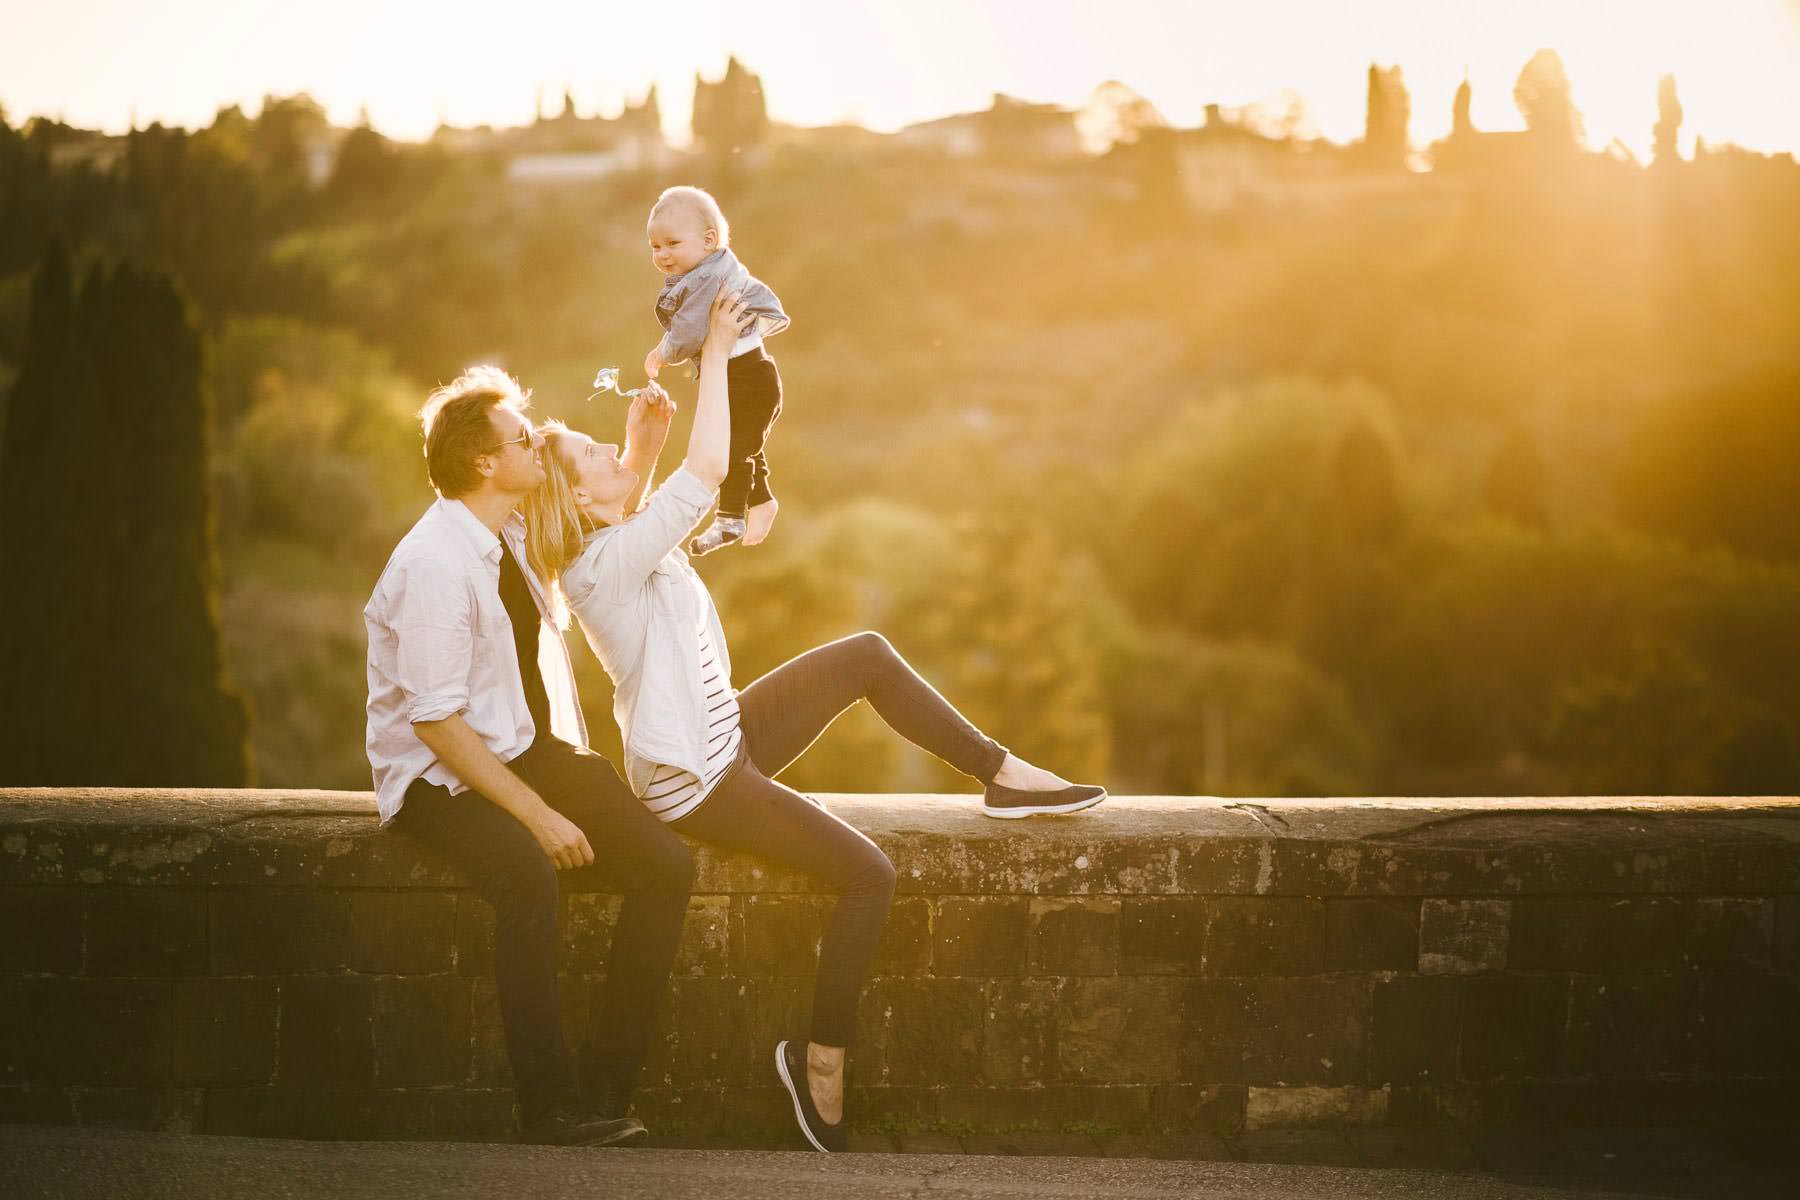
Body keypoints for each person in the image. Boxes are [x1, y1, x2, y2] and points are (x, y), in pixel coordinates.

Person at [522, 294, 1106, 1153]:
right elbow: (708, 469)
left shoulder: (610, 542)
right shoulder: (600, 567)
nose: (607, 444)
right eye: (590, 450)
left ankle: (1004, 776)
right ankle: (819, 1059)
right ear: (575, 496)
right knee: (870, 876)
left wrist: (638, 450)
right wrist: (717, 349)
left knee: (865, 653)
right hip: (701, 781)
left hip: (722, 733)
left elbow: (639, 512)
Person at [363, 367, 695, 1146]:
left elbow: (603, 524)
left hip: (518, 745)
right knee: (528, 876)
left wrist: (643, 448)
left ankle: (608, 1089)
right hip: (439, 778)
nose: (535, 444)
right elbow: (437, 723)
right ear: (484, 463)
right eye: (521, 439)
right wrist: (538, 813)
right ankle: (548, 1108)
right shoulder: (435, 564)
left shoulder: (504, 529)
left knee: (666, 867)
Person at [641, 184, 789, 556]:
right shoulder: (709, 268)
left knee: (732, 450)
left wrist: (663, 352)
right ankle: (761, 501)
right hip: (740, 374)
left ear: (709, 240)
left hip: (748, 378)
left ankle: (730, 518)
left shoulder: (707, 278)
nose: (662, 255)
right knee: (741, 446)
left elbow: (690, 330)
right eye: (656, 247)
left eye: (673, 244)